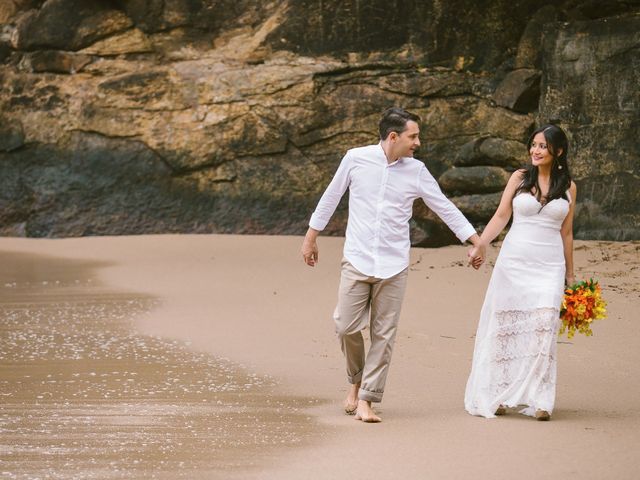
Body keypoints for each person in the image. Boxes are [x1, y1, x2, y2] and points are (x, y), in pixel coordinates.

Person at [301, 107, 485, 423]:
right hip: (357, 258)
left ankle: (367, 400)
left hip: (394, 264)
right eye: (413, 136)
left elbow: (443, 206)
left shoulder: (417, 171)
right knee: (345, 325)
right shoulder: (355, 158)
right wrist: (310, 237)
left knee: (383, 334)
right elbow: (331, 197)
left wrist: (475, 240)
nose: (418, 143)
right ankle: (356, 380)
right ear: (393, 136)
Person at [465, 124, 576, 421]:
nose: (536, 150)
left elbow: (567, 233)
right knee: (505, 329)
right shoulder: (519, 178)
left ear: (558, 151)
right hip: (514, 263)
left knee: (543, 327)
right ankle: (500, 394)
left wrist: (570, 275)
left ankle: (541, 399)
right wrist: (480, 245)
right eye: (534, 145)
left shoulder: (568, 187)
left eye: (543, 146)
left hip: (549, 265)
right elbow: (502, 215)